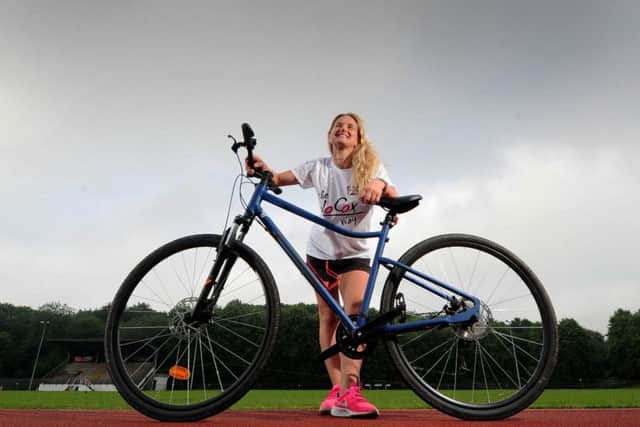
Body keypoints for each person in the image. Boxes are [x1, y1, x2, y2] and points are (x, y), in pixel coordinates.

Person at [246, 113, 398, 418]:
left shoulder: (370, 168)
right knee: (327, 316)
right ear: (330, 136)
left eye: (350, 127)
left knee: (355, 312)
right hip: (320, 251)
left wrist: (379, 186)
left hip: (354, 251)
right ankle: (338, 389)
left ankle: (352, 390)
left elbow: (393, 195)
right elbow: (278, 179)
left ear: (358, 139)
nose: (343, 129)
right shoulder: (318, 167)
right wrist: (263, 170)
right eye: (337, 126)